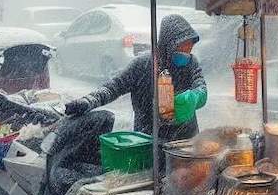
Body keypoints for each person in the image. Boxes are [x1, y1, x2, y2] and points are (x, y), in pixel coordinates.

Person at [64, 14, 207, 140]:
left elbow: (201, 86)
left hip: (187, 142)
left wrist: (195, 97)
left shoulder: (191, 63)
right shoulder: (143, 65)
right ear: (168, 44)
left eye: (190, 48)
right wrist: (88, 101)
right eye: (182, 47)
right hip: (149, 141)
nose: (187, 53)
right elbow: (113, 87)